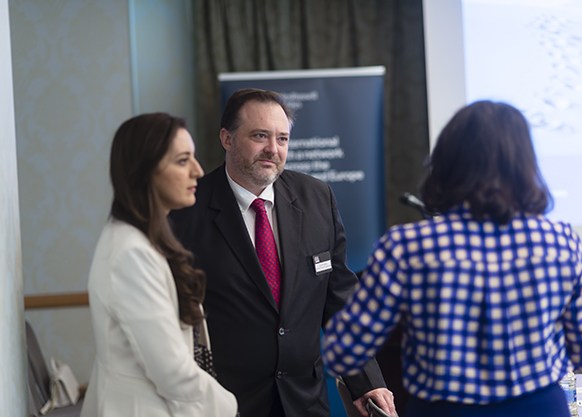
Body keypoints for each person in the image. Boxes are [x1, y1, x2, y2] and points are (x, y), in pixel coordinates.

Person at [322, 100, 582, 417]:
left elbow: (343, 352)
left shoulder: (406, 247)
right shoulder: (561, 242)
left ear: (445, 163)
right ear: (525, 165)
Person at [169, 88, 396, 417]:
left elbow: (339, 300)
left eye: (282, 139)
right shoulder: (186, 211)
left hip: (305, 401)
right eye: (260, 136)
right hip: (226, 403)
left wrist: (366, 382)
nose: (272, 149)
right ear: (227, 139)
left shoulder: (317, 198)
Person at [80, 113, 237, 417]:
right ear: (144, 171)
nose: (198, 171)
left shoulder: (145, 240)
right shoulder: (131, 254)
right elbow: (172, 372)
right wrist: (230, 408)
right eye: (182, 161)